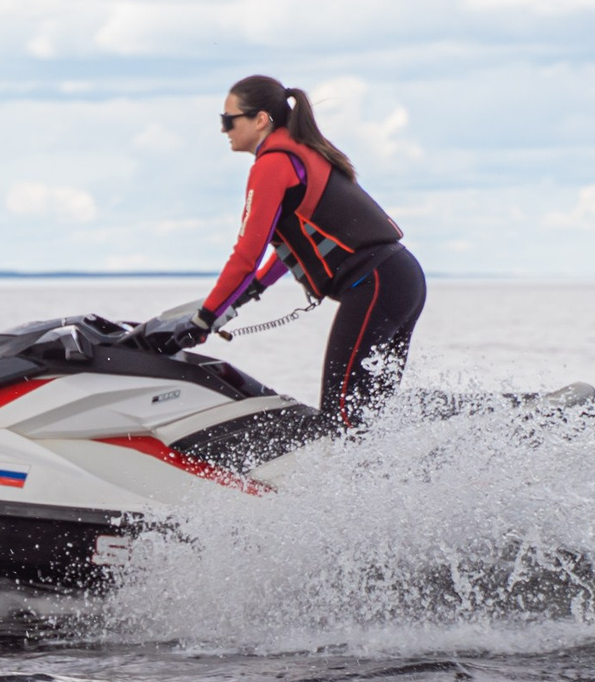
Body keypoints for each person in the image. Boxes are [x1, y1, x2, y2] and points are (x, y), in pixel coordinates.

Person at [159, 75, 426, 427]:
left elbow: (246, 254)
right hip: (399, 279)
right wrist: (253, 290)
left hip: (375, 285)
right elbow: (295, 243)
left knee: (340, 419)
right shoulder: (300, 151)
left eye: (228, 120)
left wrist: (203, 320)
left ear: (260, 119)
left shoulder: (273, 164)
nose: (224, 129)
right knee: (373, 417)